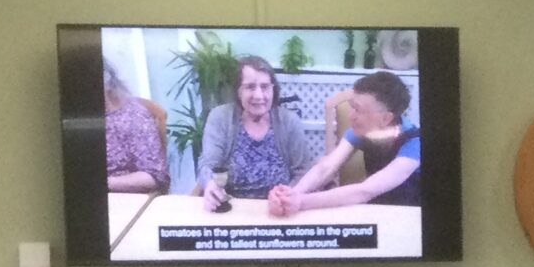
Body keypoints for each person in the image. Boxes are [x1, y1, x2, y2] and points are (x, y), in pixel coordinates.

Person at [268, 70, 422, 215]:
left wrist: (301, 202)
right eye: (351, 107)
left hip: (409, 215)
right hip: (374, 212)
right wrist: (293, 193)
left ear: (385, 118)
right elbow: (326, 168)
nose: (350, 116)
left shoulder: (414, 143)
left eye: (358, 110)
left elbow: (366, 190)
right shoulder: (361, 131)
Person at [196, 55, 317, 211]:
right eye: (250, 87)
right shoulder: (220, 117)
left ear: (273, 89)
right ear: (238, 91)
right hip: (233, 208)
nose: (259, 95)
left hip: (279, 209)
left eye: (265, 87)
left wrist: (286, 198)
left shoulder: (289, 121)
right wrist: (210, 184)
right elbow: (207, 165)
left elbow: (302, 172)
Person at [101, 65, 170, 195]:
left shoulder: (133, 116)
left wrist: (105, 183)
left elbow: (154, 175)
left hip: (125, 197)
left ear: (108, 86)